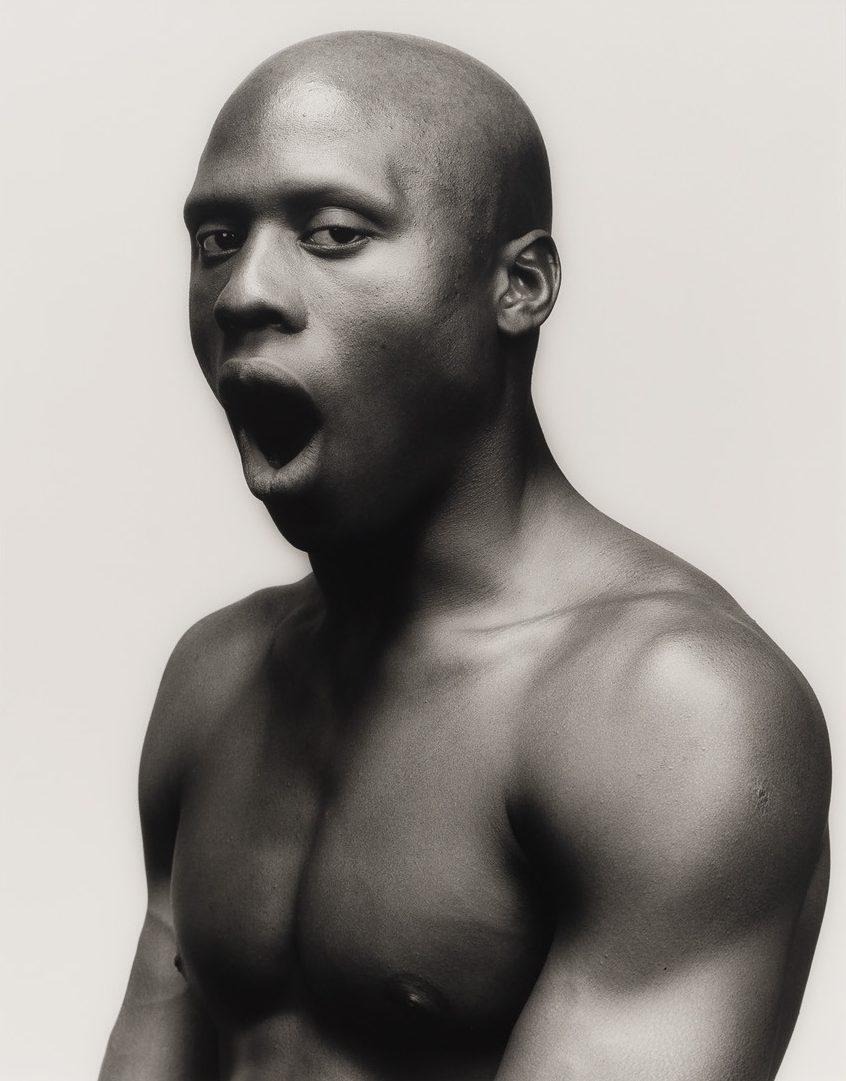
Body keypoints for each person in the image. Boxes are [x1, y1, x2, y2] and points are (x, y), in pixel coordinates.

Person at [99, 30, 830, 1081]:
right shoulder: (212, 682)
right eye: (216, 240)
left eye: (334, 234)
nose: (242, 291)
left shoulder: (668, 710)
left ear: (519, 284)